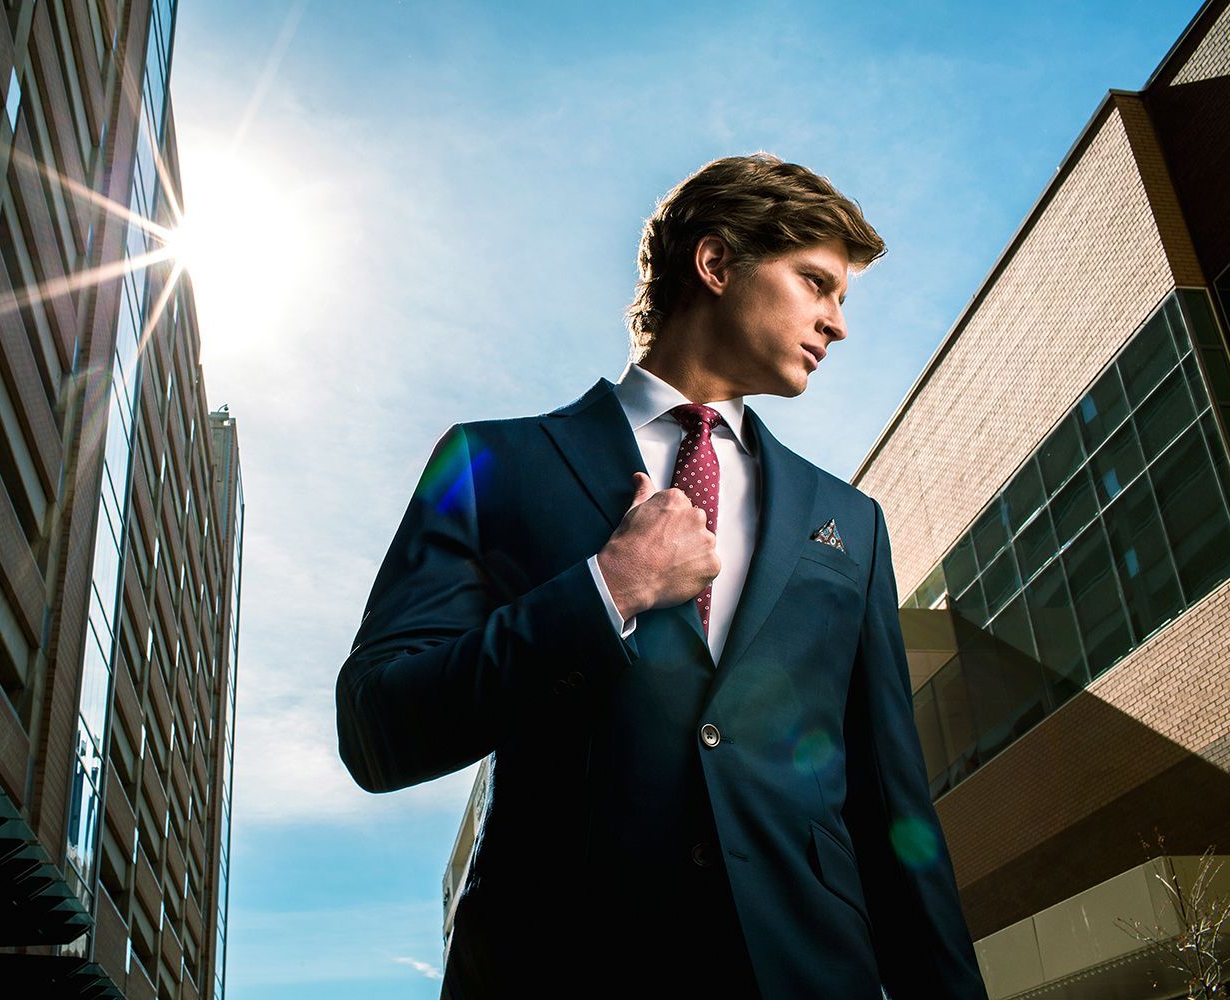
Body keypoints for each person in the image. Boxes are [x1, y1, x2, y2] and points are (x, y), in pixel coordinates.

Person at [335, 154, 989, 998]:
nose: (838, 324)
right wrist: (607, 591)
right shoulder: (490, 461)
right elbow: (377, 727)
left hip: (806, 972)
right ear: (716, 265)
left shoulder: (850, 522)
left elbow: (893, 806)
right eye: (816, 283)